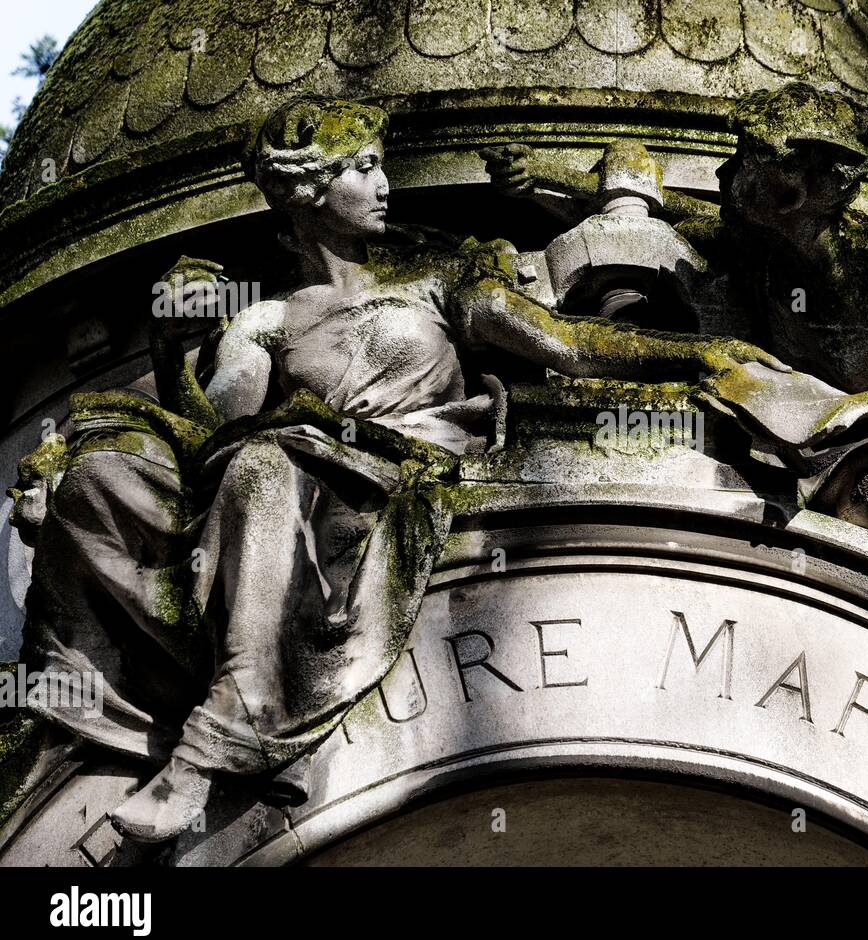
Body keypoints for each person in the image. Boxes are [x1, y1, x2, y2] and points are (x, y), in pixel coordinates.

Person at [12, 95, 784, 843]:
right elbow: (212, 437)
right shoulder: (265, 321)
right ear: (310, 188)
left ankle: (226, 723)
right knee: (110, 477)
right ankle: (172, 690)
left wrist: (700, 357)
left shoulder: (438, 277)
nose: (385, 186)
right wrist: (172, 352)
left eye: (381, 167)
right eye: (364, 168)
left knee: (267, 462)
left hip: (407, 470)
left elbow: (564, 344)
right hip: (291, 483)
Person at [482, 83, 868, 593]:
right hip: (793, 433)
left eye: (745, 161)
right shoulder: (762, 244)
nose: (725, 173)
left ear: (789, 196)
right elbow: (671, 213)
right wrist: (545, 178)